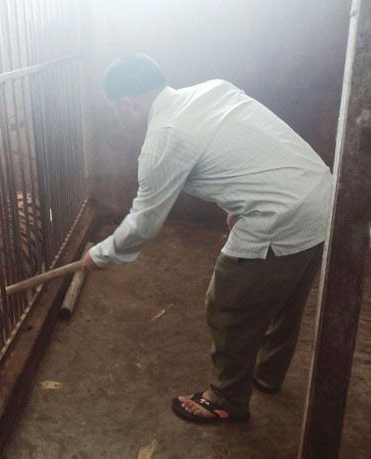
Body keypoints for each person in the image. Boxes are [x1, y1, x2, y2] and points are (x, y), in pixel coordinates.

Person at [82, 53, 333, 423]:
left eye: (113, 109)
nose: (116, 118)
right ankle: (267, 373)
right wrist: (240, 205)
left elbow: (144, 223)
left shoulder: (163, 138)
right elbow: (249, 147)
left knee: (228, 304)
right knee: (285, 299)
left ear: (127, 104)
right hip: (323, 197)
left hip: (282, 217)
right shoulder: (212, 90)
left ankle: (226, 398)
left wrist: (100, 255)